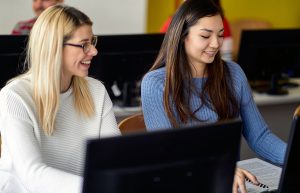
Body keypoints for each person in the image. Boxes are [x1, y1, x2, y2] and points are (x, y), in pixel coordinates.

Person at [141, 0, 286, 193]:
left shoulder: (233, 73)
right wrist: (220, 170)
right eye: (205, 36)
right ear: (182, 36)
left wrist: (294, 157)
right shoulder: (156, 83)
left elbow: (259, 136)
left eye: (220, 35)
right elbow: (170, 153)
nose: (216, 43)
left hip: (230, 185)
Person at [0, 4, 120, 193]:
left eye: (93, 41)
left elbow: (115, 157)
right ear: (54, 47)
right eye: (84, 44)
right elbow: (33, 175)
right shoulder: (14, 96)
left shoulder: (96, 90)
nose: (94, 51)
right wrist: (98, 186)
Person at [160, 0, 233, 61]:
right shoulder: (173, 23)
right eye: (205, 36)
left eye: (220, 35)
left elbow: (227, 57)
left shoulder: (222, 22)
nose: (215, 45)